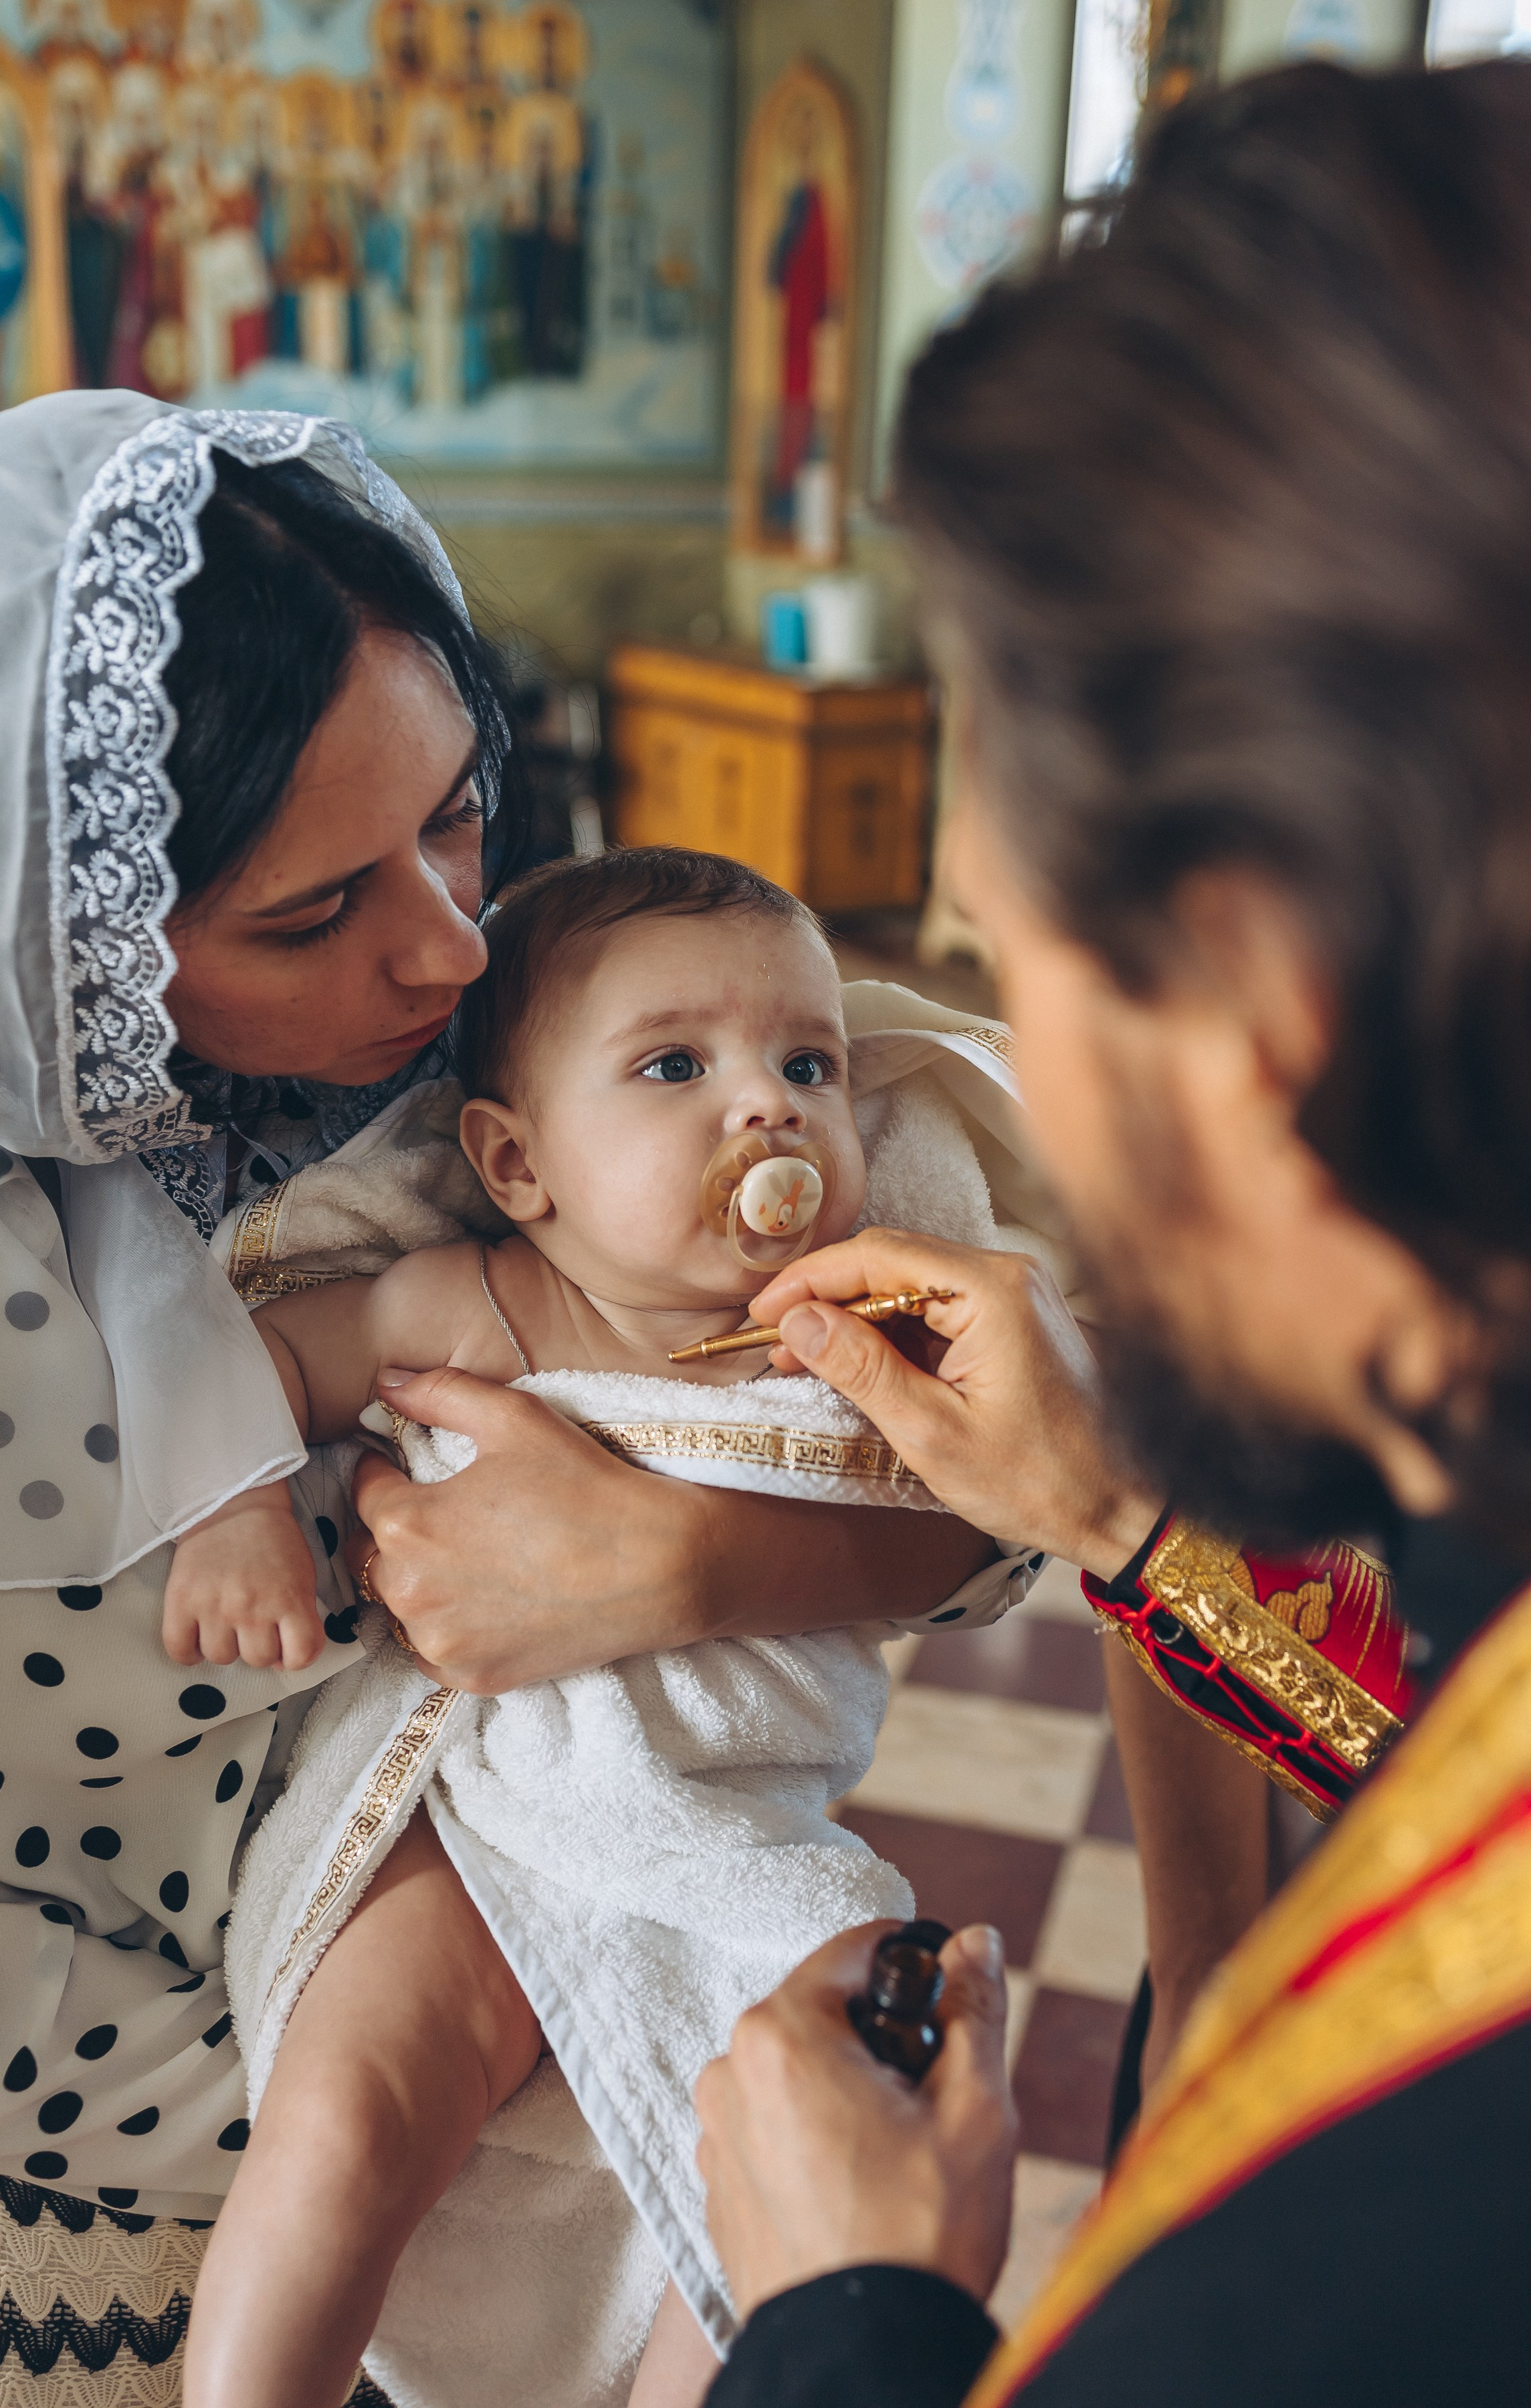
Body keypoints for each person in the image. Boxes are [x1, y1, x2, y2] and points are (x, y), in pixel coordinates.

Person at [0, 392, 999, 2403]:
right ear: (58, 952)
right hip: (119, 2150)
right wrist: (360, 2090)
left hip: (652, 1840)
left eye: (454, 815)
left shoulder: (522, 1041)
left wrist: (694, 1555)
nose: (444, 943)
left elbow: (1030, 1510)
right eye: (316, 911)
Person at [690, 56, 1531, 2406]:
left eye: (1014, 964)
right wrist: (1114, 1512)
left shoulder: (1357, 2258)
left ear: (1253, 1006)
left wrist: (848, 2322)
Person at [181, 845, 1047, 2408]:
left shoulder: (854, 1338)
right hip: (489, 1819)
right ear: (521, 1166)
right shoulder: (476, 1302)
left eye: (808, 1063)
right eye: (674, 1065)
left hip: (732, 1836)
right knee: (348, 2118)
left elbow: (1007, 1512)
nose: (767, 1106)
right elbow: (242, 1371)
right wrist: (242, 1513)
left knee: (846, 2084)